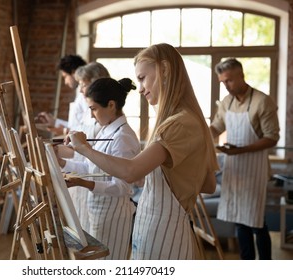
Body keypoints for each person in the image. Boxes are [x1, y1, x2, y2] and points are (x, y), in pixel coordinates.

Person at [64, 43, 219, 260]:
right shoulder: (176, 120)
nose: (140, 88)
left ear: (164, 70)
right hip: (154, 225)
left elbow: (131, 172)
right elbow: (208, 184)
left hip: (165, 231)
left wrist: (84, 148)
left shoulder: (180, 122)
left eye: (143, 78)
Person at [57, 77, 140, 260]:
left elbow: (122, 187)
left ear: (111, 105)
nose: (92, 115)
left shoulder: (123, 137)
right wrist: (61, 162)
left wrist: (83, 182)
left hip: (114, 217)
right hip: (98, 211)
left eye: (94, 109)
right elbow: (91, 167)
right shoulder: (107, 129)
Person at [210, 57, 280, 260]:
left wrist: (242, 150)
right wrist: (200, 138)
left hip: (255, 170)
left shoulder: (262, 101)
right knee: (239, 220)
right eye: (223, 82)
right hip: (235, 169)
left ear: (241, 75)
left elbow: (272, 137)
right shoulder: (226, 102)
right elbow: (216, 127)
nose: (226, 86)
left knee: (257, 222)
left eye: (229, 80)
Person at [59, 62, 111, 232]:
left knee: (90, 236)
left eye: (83, 84)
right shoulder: (90, 114)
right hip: (81, 174)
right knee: (79, 230)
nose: (80, 90)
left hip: (93, 183)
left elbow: (94, 157)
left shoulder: (103, 119)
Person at [36, 54, 87, 136]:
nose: (65, 82)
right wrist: (55, 122)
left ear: (74, 72)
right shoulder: (80, 94)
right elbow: (75, 125)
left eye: (65, 76)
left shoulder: (86, 96)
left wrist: (64, 131)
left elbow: (88, 129)